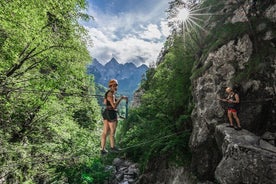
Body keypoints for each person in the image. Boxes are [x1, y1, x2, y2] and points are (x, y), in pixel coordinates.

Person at [100, 79, 128, 154]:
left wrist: (109, 98)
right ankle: (112, 147)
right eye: (115, 85)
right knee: (112, 132)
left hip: (106, 113)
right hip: (111, 113)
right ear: (111, 86)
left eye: (116, 85)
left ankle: (102, 149)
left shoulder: (107, 93)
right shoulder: (111, 94)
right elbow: (114, 106)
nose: (116, 87)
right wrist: (121, 99)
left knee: (105, 132)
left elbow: (104, 102)